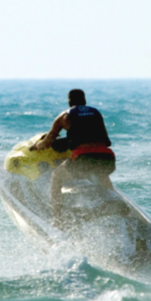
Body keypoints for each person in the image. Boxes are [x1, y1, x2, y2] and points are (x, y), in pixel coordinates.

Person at [30, 89, 115, 226]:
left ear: (69, 101)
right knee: (102, 174)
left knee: (56, 176)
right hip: (107, 159)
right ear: (84, 101)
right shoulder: (96, 113)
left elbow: (47, 143)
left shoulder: (64, 116)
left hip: (84, 160)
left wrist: (35, 147)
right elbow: (107, 141)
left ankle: (58, 219)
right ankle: (115, 202)